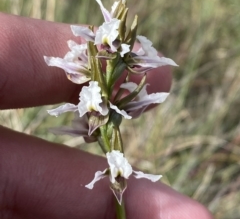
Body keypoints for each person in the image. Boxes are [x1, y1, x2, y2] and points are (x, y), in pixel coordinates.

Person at [0, 12, 213, 219]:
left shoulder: (119, 82)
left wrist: (124, 105)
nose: (108, 50)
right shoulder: (99, 93)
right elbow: (88, 106)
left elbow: (116, 111)